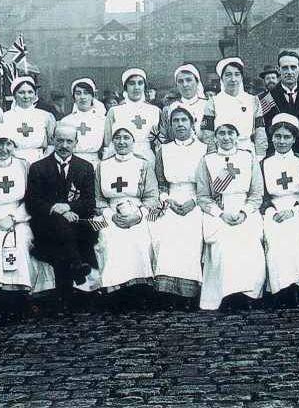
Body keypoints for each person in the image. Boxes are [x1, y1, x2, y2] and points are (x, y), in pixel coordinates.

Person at [0, 123, 56, 324]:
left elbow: (32, 199)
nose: (4, 149)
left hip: (20, 217)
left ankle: (21, 300)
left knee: (23, 241)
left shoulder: (24, 165)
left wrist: (15, 218)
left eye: (8, 144)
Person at [79, 127, 158, 301]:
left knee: (142, 238)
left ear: (133, 142)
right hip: (109, 214)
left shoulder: (143, 164)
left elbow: (152, 197)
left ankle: (141, 289)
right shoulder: (102, 166)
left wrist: (138, 215)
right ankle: (115, 291)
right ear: (113, 142)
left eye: (126, 138)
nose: (122, 142)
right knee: (107, 237)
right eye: (118, 138)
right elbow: (98, 199)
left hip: (138, 212)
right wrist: (111, 215)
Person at [25, 123, 97, 308]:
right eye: (60, 140)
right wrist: (55, 209)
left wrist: (68, 207)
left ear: (76, 143)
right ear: (52, 141)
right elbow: (33, 202)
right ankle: (77, 269)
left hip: (77, 222)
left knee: (68, 236)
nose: (64, 145)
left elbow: (89, 202)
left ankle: (64, 295)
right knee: (59, 229)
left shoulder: (85, 167)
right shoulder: (38, 167)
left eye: (69, 141)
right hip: (46, 224)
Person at [197, 123, 266, 310]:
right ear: (215, 137)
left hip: (246, 209)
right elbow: (203, 196)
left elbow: (257, 193)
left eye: (230, 133)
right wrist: (221, 214)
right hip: (219, 211)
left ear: (237, 136)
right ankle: (227, 294)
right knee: (223, 243)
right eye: (221, 133)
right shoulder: (207, 160)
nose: (226, 138)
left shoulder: (248, 157)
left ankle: (249, 294)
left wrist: (244, 212)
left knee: (249, 241)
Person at [150, 108, 207, 308]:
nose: (180, 124)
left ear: (192, 124)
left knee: (191, 232)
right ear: (170, 125)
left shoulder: (204, 149)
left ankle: (188, 294)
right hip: (171, 200)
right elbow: (161, 182)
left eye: (184, 120)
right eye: (176, 121)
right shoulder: (163, 150)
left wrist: (195, 201)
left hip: (197, 200)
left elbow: (208, 184)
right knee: (164, 231)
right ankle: (167, 293)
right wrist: (167, 199)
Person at [261, 113, 299, 306]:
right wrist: (271, 212)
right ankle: (282, 289)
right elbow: (263, 197)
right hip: (273, 210)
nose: (282, 141)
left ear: (294, 139)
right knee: (277, 237)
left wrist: (294, 211)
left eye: (287, 137)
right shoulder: (263, 164)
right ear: (272, 138)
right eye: (278, 136)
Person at [201, 57, 268, 161]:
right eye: (228, 75)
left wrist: (260, 156)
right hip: (221, 153)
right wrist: (213, 155)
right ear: (221, 78)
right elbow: (207, 133)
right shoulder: (213, 102)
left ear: (241, 77)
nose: (233, 79)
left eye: (237, 74)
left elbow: (260, 131)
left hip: (247, 152)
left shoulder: (252, 100)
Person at [104, 68, 161, 162]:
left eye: (140, 83)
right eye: (132, 83)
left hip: (147, 158)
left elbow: (159, 141)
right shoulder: (115, 111)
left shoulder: (155, 111)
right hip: (121, 159)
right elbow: (108, 142)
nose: (136, 87)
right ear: (125, 87)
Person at [0, 77, 56, 164]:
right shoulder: (5, 117)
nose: (26, 96)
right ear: (14, 95)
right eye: (21, 92)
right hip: (13, 162)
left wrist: (45, 161)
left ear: (35, 95)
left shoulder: (45, 116)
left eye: (30, 92)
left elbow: (51, 144)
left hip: (40, 161)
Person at [61, 78, 107, 167]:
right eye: (78, 93)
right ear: (73, 97)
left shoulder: (102, 120)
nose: (82, 97)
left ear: (93, 96)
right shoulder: (66, 121)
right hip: (71, 163)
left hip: (94, 163)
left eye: (86, 93)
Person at [159, 64, 208, 143]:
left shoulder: (208, 106)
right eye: (180, 81)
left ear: (197, 82)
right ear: (177, 85)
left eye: (189, 80)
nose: (185, 84)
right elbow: (164, 137)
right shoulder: (169, 108)